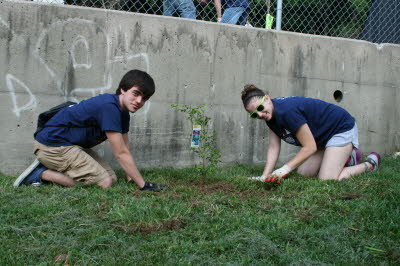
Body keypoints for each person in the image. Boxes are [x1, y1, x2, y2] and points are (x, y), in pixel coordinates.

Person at [14, 70, 169, 191]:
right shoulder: (109, 107)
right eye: (136, 94)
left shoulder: (123, 113)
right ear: (123, 89)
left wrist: (131, 177)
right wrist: (143, 185)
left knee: (112, 178)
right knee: (104, 182)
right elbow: (120, 154)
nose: (139, 101)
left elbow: (124, 148)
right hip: (52, 146)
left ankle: (52, 167)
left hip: (70, 146)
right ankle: (40, 173)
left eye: (144, 98)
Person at [241, 84, 381, 182]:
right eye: (254, 114)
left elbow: (310, 147)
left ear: (267, 98)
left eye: (260, 108)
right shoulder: (270, 116)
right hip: (322, 138)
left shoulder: (286, 111)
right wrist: (265, 176)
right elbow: (273, 147)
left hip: (340, 128)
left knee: (327, 179)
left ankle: (370, 164)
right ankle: (347, 158)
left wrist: (284, 169)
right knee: (304, 173)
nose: (260, 114)